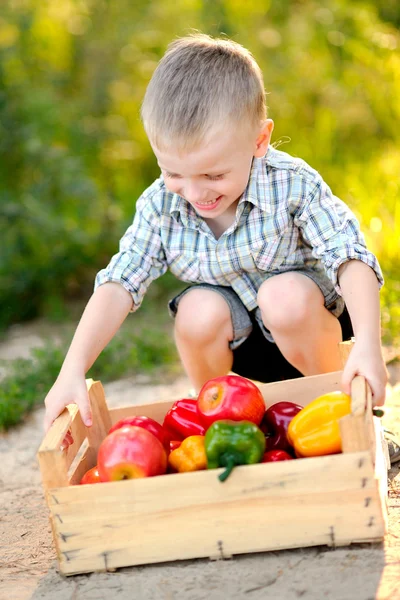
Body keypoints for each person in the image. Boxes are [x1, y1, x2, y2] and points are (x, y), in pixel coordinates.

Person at [44, 33, 389, 451]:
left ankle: (346, 419)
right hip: (238, 354)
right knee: (196, 310)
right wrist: (72, 369)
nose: (194, 192)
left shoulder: (292, 184)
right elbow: (119, 281)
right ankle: (223, 423)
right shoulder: (160, 206)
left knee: (283, 296)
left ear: (259, 141)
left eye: (213, 175)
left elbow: (350, 257)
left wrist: (369, 345)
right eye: (173, 172)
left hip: (313, 334)